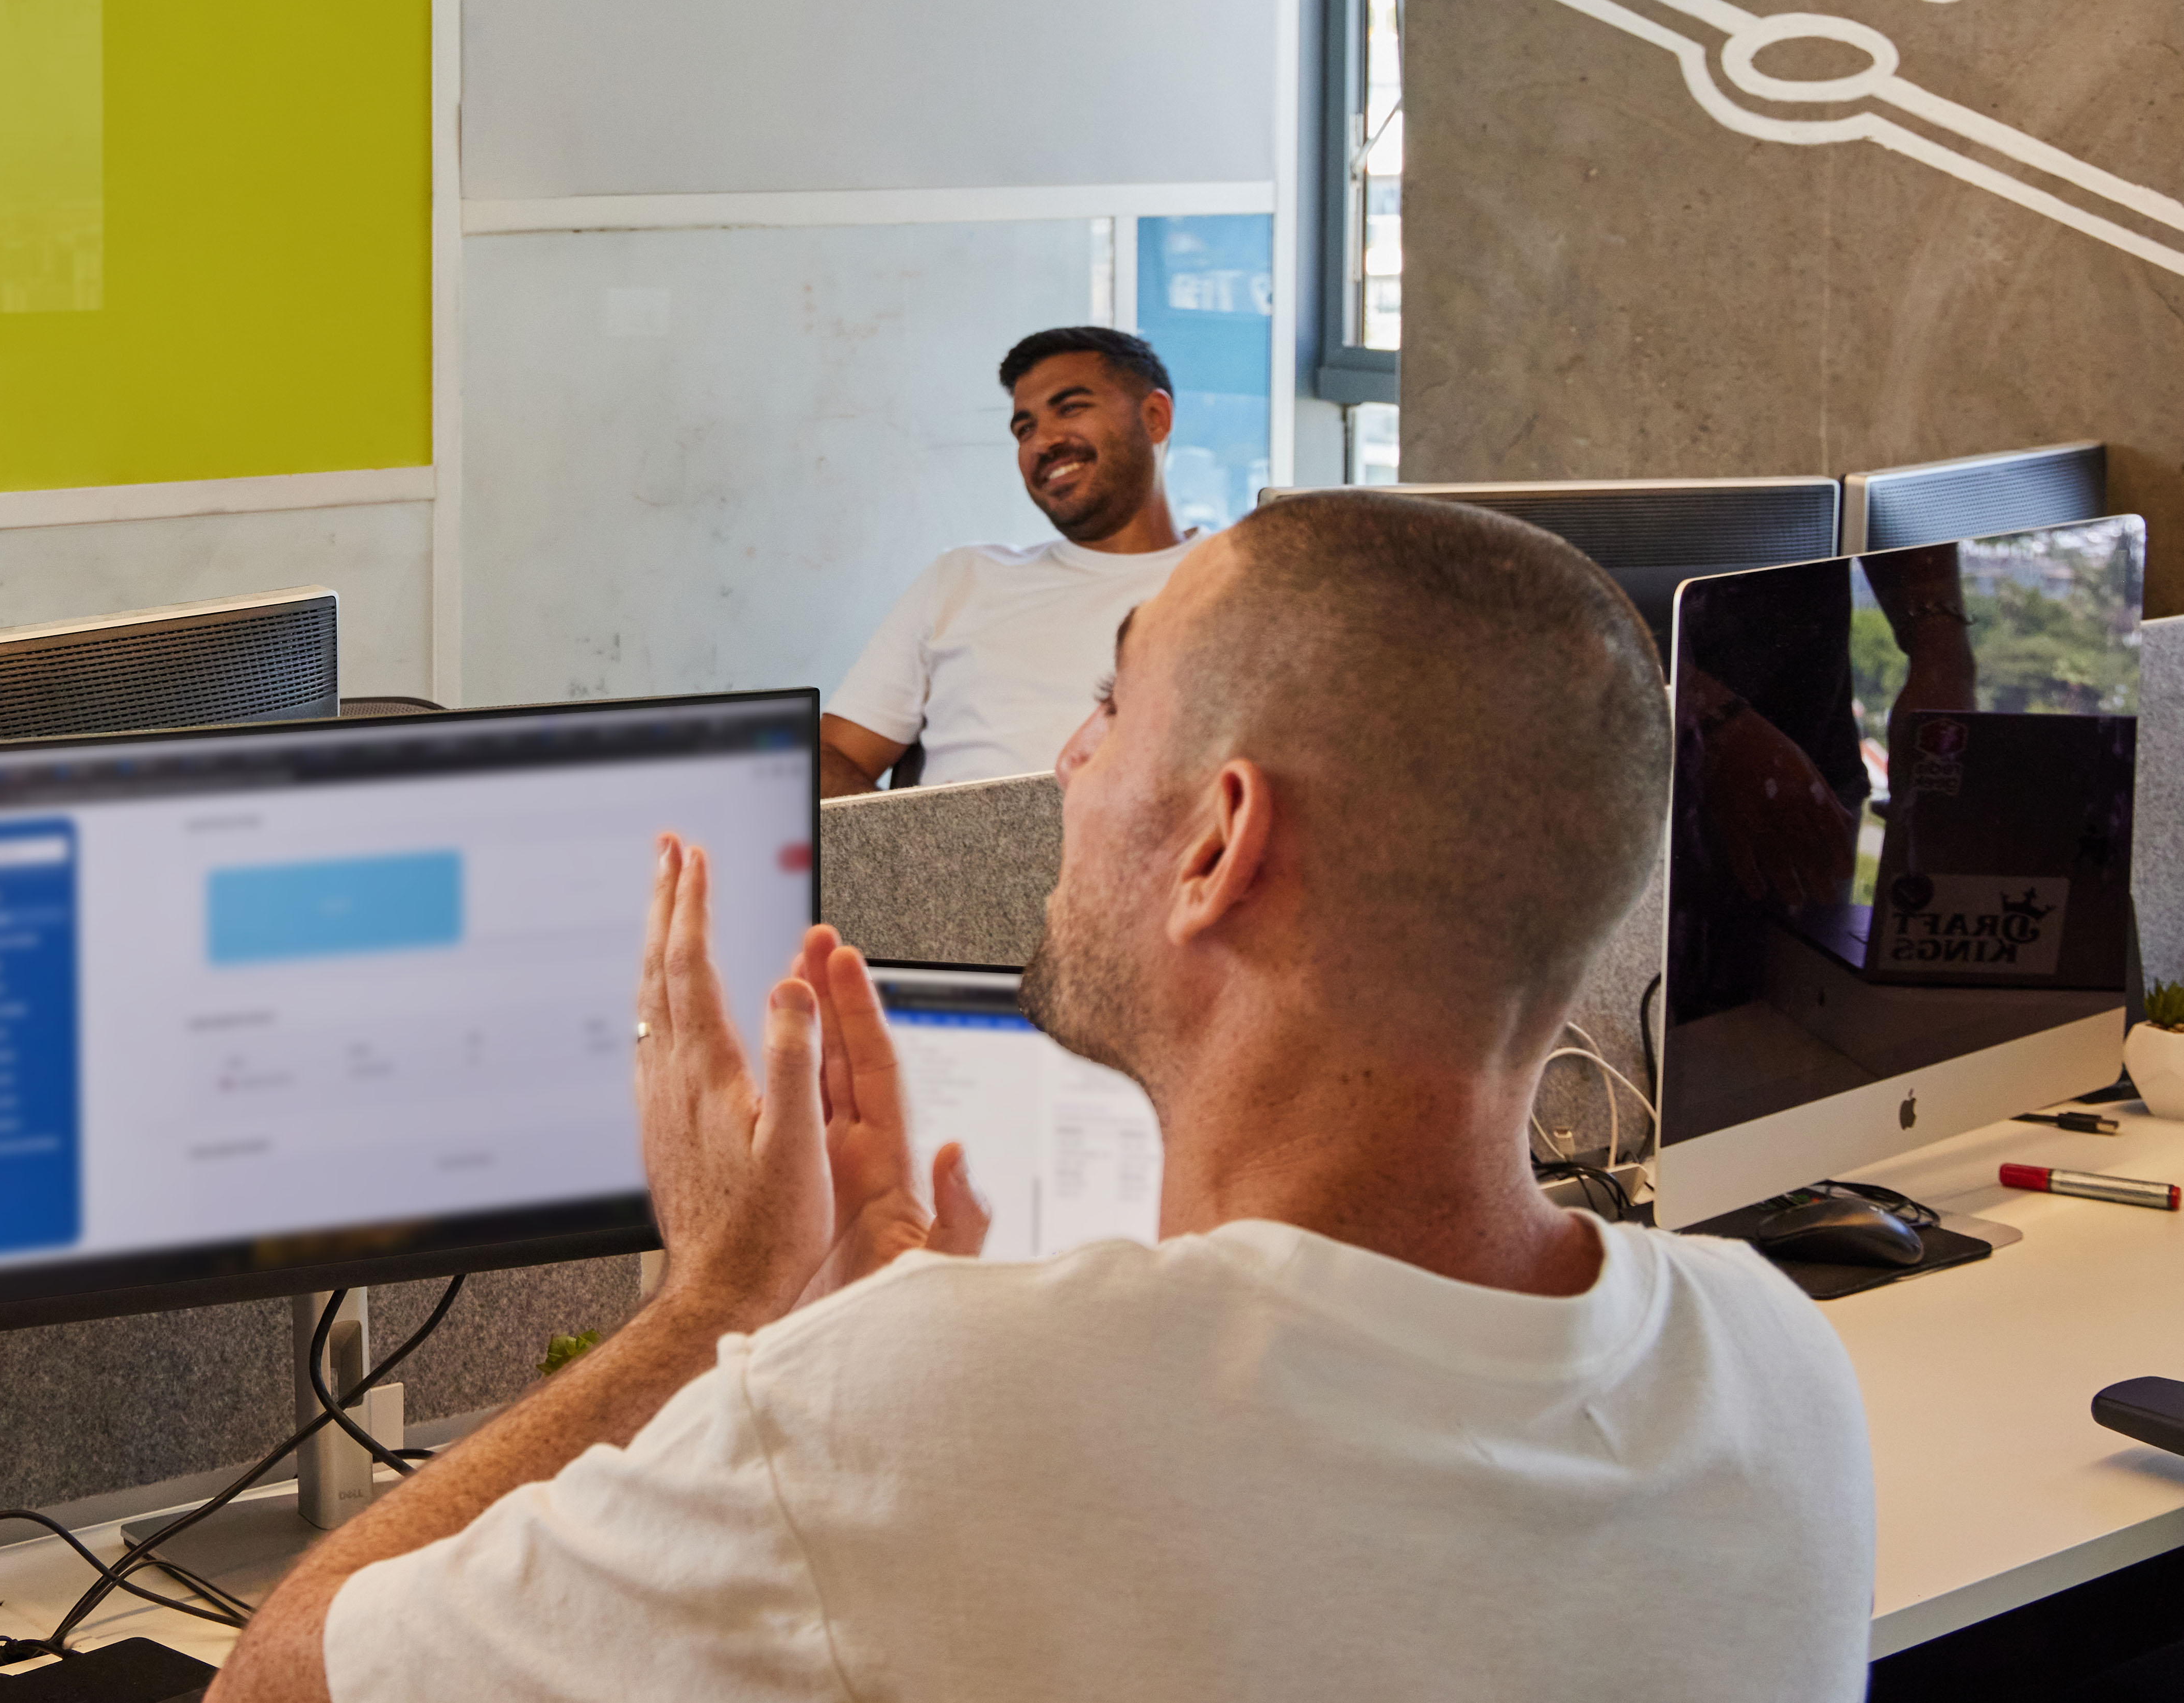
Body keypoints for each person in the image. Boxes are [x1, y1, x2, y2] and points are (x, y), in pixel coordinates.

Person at [215, 490, 1872, 1703]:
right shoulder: (1776, 1364)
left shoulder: (926, 1406)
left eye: (1103, 707)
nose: (1065, 767)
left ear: (1220, 842)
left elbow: (276, 1684)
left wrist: (725, 1296)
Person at [822, 325, 1196, 796]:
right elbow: (828, 758)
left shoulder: (1237, 579)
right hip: (961, 863)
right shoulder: (963, 579)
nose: (1043, 442)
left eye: (1070, 408)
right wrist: (912, 864)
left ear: (1155, 417)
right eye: (1025, 429)